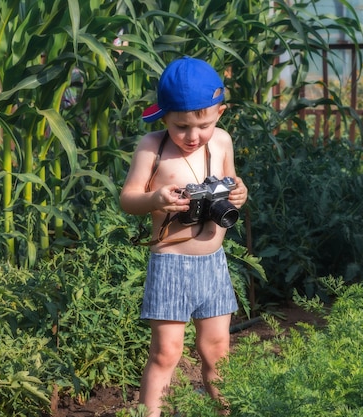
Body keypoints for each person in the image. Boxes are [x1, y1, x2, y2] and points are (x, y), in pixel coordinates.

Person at [120, 56, 248, 416]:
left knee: (218, 349)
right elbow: (127, 199)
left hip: (213, 263)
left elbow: (234, 184)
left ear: (220, 113)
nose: (192, 136)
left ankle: (225, 411)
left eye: (202, 125)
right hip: (171, 263)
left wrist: (240, 193)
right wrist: (155, 199)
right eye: (181, 127)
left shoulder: (221, 141)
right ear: (164, 118)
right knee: (165, 352)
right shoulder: (152, 147)